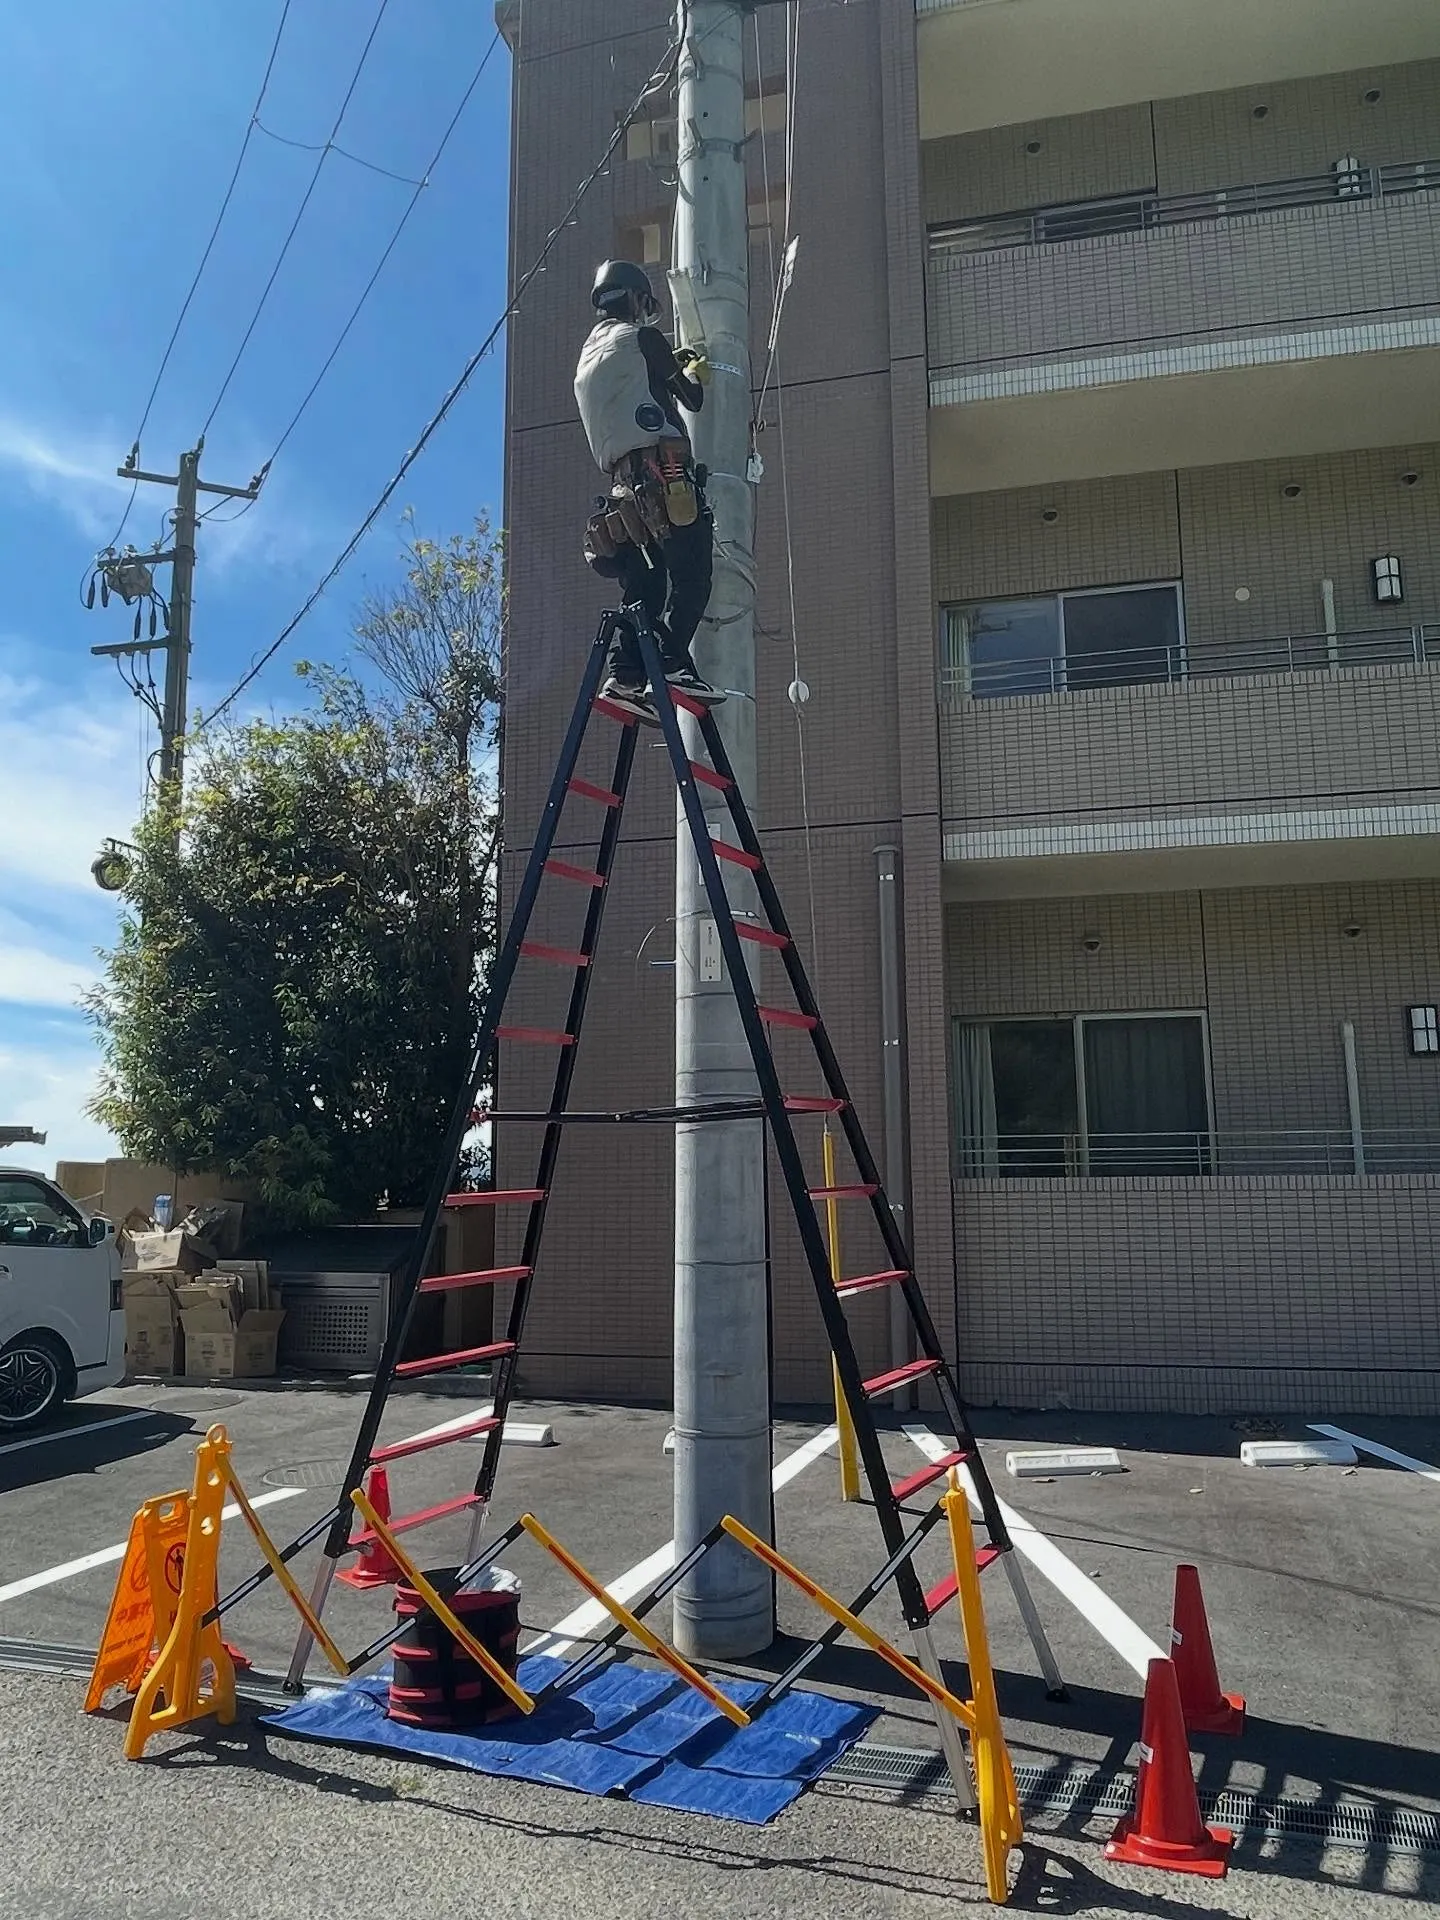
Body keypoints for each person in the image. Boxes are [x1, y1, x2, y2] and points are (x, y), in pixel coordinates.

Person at [574, 259, 726, 723]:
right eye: (644, 303)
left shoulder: (586, 361)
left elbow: (636, 390)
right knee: (693, 575)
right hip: (665, 476)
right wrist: (692, 369)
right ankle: (673, 664)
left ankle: (623, 676)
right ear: (636, 298)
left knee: (647, 581)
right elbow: (692, 397)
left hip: (624, 493)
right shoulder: (643, 339)